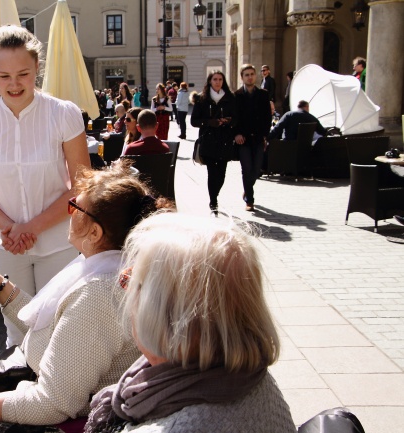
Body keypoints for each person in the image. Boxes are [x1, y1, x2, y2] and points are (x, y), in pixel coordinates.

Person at [0, 164, 173, 430]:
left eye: (75, 207)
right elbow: (55, 329)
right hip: (44, 390)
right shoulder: (109, 267)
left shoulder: (98, 291)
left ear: (95, 232)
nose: (68, 211)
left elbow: (52, 404)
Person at [85, 213, 296, 433]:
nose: (124, 287)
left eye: (132, 281)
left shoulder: (174, 427)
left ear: (163, 316)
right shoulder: (252, 378)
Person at [0, 25, 91, 346]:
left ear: (37, 68)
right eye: (4, 76)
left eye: (23, 73)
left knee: (59, 331)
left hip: (59, 242)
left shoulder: (63, 113)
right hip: (8, 246)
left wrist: (30, 227)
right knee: (18, 332)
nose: (14, 84)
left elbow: (82, 185)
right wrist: (11, 229)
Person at [191, 71, 237, 216]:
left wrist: (229, 121)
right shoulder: (202, 99)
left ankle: (215, 195)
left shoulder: (230, 98)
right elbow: (194, 121)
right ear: (210, 81)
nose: (217, 82)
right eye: (215, 79)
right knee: (212, 172)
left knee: (221, 174)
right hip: (209, 140)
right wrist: (209, 122)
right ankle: (213, 201)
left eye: (220, 79)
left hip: (225, 140)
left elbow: (237, 118)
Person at [234, 64, 272, 212]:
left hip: (258, 138)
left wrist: (265, 136)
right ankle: (249, 200)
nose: (250, 77)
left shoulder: (263, 94)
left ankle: (247, 188)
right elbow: (234, 118)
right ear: (242, 77)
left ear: (255, 76)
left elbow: (267, 117)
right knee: (246, 169)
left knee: (256, 170)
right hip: (243, 139)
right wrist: (236, 134)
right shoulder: (236, 95)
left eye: (252, 74)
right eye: (246, 75)